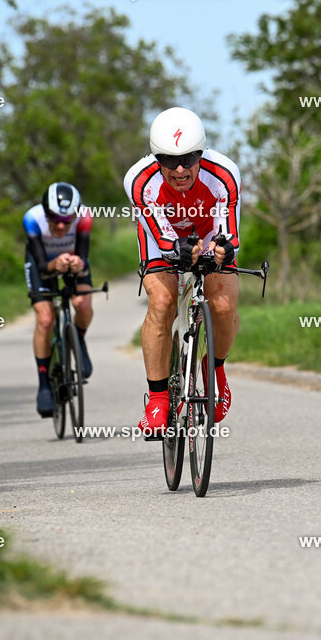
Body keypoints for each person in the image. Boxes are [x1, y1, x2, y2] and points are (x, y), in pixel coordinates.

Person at [122, 107, 240, 435]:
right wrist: (180, 252)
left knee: (224, 304)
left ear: (201, 154)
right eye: (168, 160)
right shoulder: (139, 180)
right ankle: (159, 399)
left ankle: (213, 368)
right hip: (162, 239)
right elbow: (162, 237)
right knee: (162, 303)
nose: (179, 169)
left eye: (188, 158)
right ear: (155, 158)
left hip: (208, 234)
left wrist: (221, 248)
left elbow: (229, 233)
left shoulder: (224, 173)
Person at [23, 182, 94, 417]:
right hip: (41, 263)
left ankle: (79, 339)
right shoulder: (32, 219)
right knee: (44, 318)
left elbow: (83, 256)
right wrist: (56, 265)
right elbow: (43, 267)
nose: (62, 225)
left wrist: (78, 264)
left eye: (68, 219)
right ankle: (43, 382)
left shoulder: (84, 217)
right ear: (45, 212)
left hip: (71, 260)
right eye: (55, 218)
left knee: (82, 304)